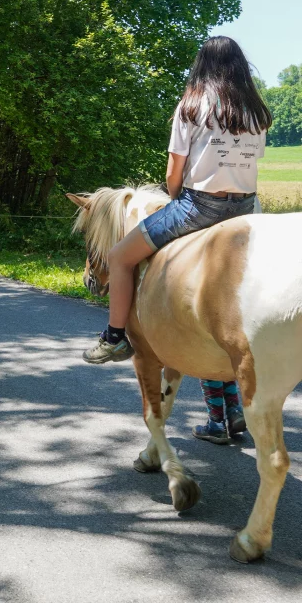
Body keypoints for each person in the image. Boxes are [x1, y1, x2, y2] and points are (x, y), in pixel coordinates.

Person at [82, 36, 271, 441]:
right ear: (240, 66)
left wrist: (177, 200)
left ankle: (115, 336)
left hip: (200, 206)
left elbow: (173, 173)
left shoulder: (191, 106)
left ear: (202, 66)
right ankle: (229, 406)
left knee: (118, 257)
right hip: (249, 210)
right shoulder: (257, 112)